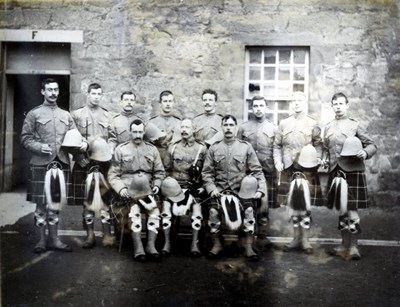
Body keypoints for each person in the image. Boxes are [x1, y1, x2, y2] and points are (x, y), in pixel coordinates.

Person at [21, 78, 82, 253]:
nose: (53, 93)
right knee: (41, 204)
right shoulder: (34, 114)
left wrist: (82, 143)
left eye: (55, 90)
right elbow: (25, 138)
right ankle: (41, 241)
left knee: (55, 204)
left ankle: (55, 240)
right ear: (43, 91)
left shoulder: (66, 115)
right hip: (40, 163)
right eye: (49, 90)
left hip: (60, 162)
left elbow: (75, 136)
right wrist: (39, 147)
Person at [202, 115, 266, 261]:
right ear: (222, 127)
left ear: (236, 128)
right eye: (226, 125)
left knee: (249, 210)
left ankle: (248, 246)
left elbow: (257, 170)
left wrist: (260, 190)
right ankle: (217, 245)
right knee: (212, 211)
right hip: (220, 191)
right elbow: (206, 173)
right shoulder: (214, 148)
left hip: (241, 192)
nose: (229, 128)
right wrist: (212, 189)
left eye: (231, 125)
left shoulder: (245, 147)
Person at [322, 92, 377, 260]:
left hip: (352, 172)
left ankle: (354, 247)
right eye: (335, 104)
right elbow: (326, 148)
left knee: (352, 211)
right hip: (335, 172)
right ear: (332, 106)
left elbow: (372, 145)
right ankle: (343, 245)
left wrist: (365, 152)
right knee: (342, 210)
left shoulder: (356, 125)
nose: (338, 106)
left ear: (347, 105)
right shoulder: (329, 127)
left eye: (340, 103)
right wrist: (324, 159)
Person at [108, 119, 165, 262]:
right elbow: (113, 174)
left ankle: (151, 246)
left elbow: (159, 172)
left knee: (154, 211)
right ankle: (138, 247)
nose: (138, 135)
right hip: (129, 190)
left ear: (144, 132)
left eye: (140, 132)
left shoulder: (152, 149)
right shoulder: (121, 149)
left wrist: (157, 184)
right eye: (135, 132)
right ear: (130, 131)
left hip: (147, 189)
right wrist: (121, 189)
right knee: (134, 211)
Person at [273, 91, 323, 254]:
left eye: (300, 100)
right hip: (289, 168)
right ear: (291, 104)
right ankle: (295, 239)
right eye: (293, 100)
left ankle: (306, 241)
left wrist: (318, 158)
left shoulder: (312, 123)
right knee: (294, 206)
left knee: (306, 207)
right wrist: (278, 161)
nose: (296, 103)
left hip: (307, 169)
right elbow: (276, 146)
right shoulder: (283, 123)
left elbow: (319, 145)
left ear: (305, 103)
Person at [71, 83, 114, 248]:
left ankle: (106, 234)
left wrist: (111, 148)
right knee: (87, 202)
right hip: (84, 162)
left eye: (99, 93)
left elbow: (112, 137)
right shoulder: (76, 115)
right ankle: (89, 236)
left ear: (102, 95)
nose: (96, 96)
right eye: (93, 93)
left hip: (103, 163)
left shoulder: (108, 116)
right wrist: (77, 155)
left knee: (105, 200)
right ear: (87, 94)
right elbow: (69, 139)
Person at [161, 118, 208, 257]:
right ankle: (167, 243)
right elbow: (166, 170)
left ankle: (194, 244)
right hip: (174, 187)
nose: (184, 130)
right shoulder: (173, 147)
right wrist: (167, 184)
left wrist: (203, 187)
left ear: (194, 129)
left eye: (187, 127)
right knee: (166, 208)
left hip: (193, 187)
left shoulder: (201, 148)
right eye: (182, 127)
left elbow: (207, 172)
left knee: (197, 208)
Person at [238, 96, 278, 249]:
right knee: (247, 205)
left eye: (261, 105)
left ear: (266, 107)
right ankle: (247, 237)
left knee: (263, 208)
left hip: (266, 172)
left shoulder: (273, 128)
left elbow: (276, 150)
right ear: (251, 108)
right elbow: (238, 148)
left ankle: (262, 237)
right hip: (247, 173)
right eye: (255, 106)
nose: (258, 108)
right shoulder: (243, 128)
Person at [148, 90, 181, 163]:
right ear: (160, 104)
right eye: (165, 101)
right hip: (157, 160)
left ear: (173, 103)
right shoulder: (152, 122)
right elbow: (148, 146)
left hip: (174, 161)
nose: (168, 104)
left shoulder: (179, 122)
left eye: (170, 101)